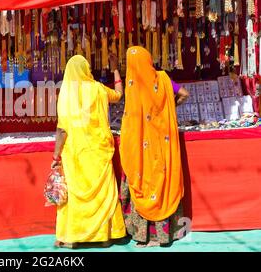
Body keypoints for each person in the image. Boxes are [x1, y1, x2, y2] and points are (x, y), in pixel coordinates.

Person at [52, 54, 126, 249]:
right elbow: (119, 95)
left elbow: (61, 129)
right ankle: (104, 236)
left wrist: (55, 155)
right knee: (102, 192)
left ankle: (74, 237)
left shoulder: (65, 94)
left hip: (75, 154)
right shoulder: (98, 89)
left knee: (76, 195)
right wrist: (115, 69)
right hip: (98, 152)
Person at [119, 46, 189, 248]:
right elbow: (185, 94)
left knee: (144, 182)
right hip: (162, 143)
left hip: (140, 147)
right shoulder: (164, 79)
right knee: (161, 182)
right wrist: (168, 108)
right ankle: (162, 236)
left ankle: (145, 237)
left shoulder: (132, 83)